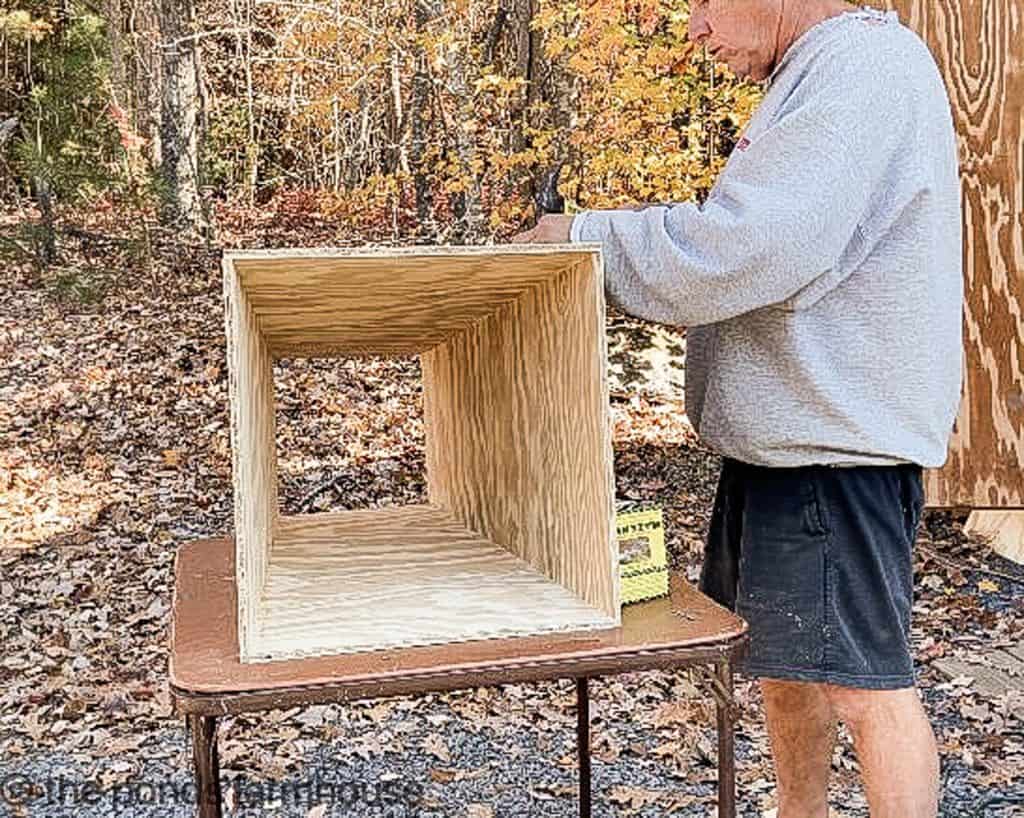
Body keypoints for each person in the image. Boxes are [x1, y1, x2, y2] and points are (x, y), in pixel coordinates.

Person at [513, 2, 964, 817]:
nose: (694, 28)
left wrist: (584, 241)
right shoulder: (822, 68)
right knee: (791, 672)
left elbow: (752, 245)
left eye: (705, 3)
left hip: (833, 446)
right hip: (794, 439)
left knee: (866, 688)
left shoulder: (860, 67)